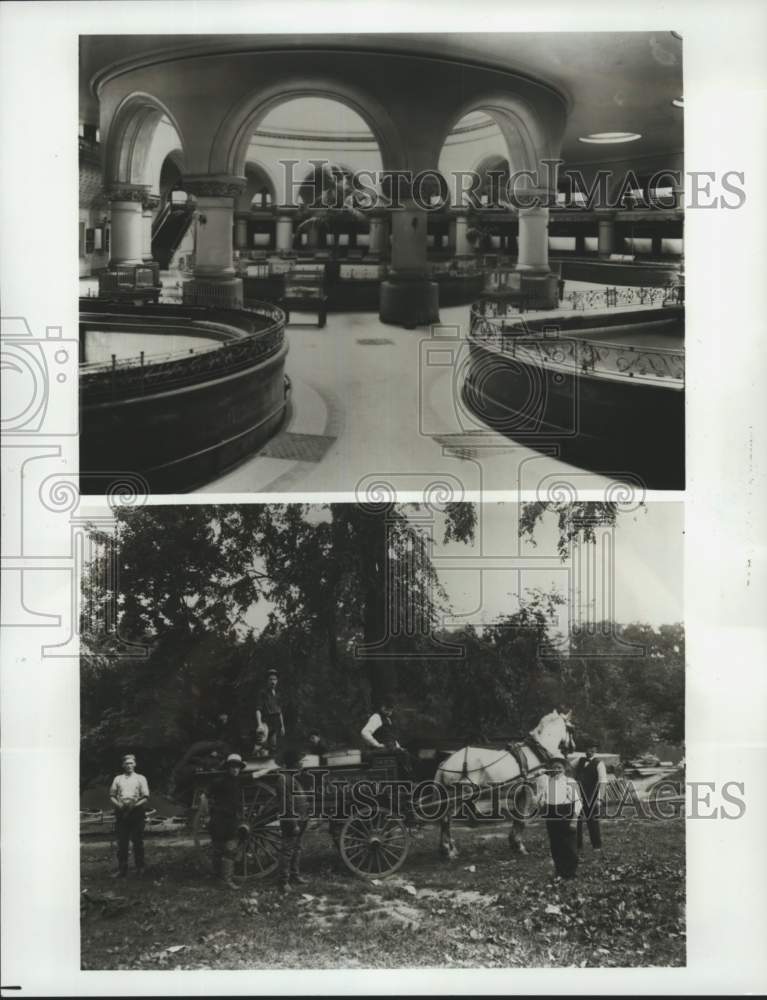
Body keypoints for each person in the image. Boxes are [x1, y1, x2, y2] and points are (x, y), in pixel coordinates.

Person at [536, 758, 582, 880]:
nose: (556, 770)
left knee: (569, 844)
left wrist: (574, 820)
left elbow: (578, 803)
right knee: (555, 844)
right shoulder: (546, 782)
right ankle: (560, 870)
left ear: (564, 769)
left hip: (566, 812)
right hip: (551, 814)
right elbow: (541, 801)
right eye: (554, 768)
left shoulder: (569, 781)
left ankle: (571, 872)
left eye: (559, 768)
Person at [207, 753, 247, 890]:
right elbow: (205, 796)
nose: (235, 770)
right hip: (220, 819)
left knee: (228, 849)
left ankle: (224, 878)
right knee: (223, 849)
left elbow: (253, 777)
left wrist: (265, 771)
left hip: (229, 819)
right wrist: (208, 813)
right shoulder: (218, 782)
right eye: (233, 767)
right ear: (228, 768)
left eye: (237, 767)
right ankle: (224, 880)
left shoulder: (238, 780)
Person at [276, 743, 311, 894]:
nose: (302, 764)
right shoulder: (283, 779)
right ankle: (283, 882)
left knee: (296, 848)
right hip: (292, 821)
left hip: (300, 819)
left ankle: (295, 876)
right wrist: (293, 823)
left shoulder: (292, 777)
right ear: (293, 763)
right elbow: (286, 804)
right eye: (299, 761)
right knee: (288, 850)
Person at [109, 753, 150, 878]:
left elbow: (146, 797)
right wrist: (119, 805)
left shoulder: (141, 778)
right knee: (122, 842)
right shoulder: (118, 779)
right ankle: (122, 870)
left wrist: (134, 805)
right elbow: (112, 795)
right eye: (126, 763)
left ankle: (140, 868)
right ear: (123, 765)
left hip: (136, 812)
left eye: (131, 763)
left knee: (138, 841)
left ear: (135, 764)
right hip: (121, 812)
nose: (129, 765)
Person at [575, 743, 608, 853]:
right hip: (578, 795)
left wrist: (600, 799)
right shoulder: (579, 761)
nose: (588, 750)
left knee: (592, 821)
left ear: (595, 749)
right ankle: (577, 845)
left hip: (591, 796)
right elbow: (567, 767)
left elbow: (603, 782)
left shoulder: (599, 763)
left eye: (590, 748)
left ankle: (597, 846)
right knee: (576, 820)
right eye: (586, 748)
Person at [255, 669, 285, 755]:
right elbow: (258, 709)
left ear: (277, 681)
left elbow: (280, 711)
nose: (273, 681)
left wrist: (282, 726)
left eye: (275, 679)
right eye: (270, 679)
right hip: (266, 721)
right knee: (262, 744)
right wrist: (259, 724)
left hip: (276, 723)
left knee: (274, 746)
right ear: (267, 681)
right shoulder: (263, 693)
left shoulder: (278, 694)